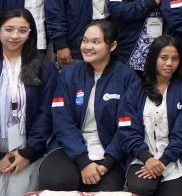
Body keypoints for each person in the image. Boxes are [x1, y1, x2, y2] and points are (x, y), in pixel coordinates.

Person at [0, 8, 57, 196]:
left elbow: (47, 112)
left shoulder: (43, 67)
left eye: (22, 30)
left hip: (27, 149)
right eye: (9, 29)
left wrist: (28, 152)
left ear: (30, 34)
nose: (15, 36)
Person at [39, 20, 139, 191]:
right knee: (58, 182)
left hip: (109, 152)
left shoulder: (127, 77)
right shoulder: (70, 73)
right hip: (68, 147)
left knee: (106, 191)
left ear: (112, 46)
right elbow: (62, 120)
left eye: (95, 42)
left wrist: (108, 162)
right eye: (85, 41)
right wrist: (83, 161)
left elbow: (127, 126)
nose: (87, 46)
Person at [116, 36, 182, 196]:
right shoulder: (136, 89)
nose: (169, 63)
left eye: (174, 59)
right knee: (142, 188)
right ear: (153, 59)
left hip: (172, 161)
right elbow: (126, 129)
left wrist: (163, 160)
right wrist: (147, 158)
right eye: (163, 58)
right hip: (141, 158)